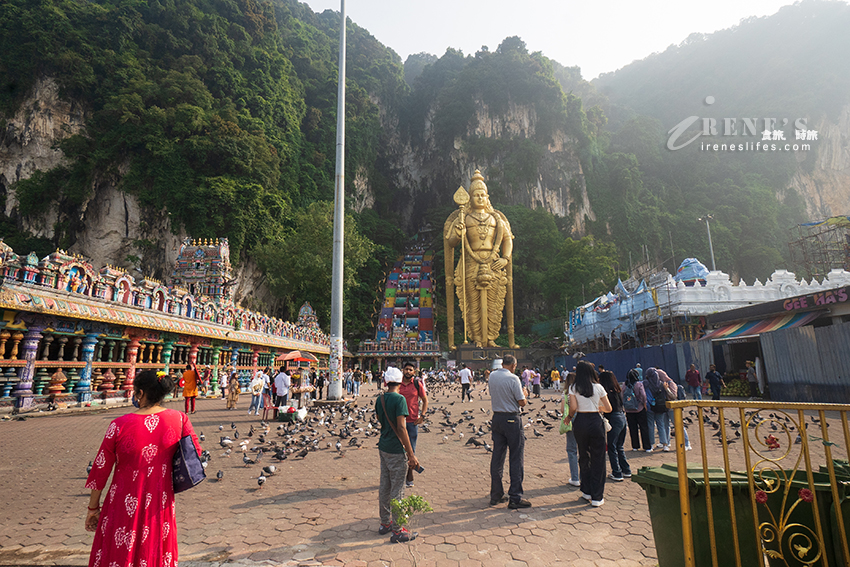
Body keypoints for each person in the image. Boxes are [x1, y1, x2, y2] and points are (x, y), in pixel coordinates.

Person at [84, 370, 201, 567]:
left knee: (120, 550)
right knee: (155, 548)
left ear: (139, 393)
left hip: (122, 500)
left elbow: (100, 469)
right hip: (159, 499)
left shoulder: (119, 425)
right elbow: (195, 452)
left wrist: (93, 508)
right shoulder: (180, 420)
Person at [375, 367, 419, 543]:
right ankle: (398, 530)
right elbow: (401, 427)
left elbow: (380, 419)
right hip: (395, 449)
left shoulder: (381, 399)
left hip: (383, 446)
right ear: (400, 382)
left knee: (384, 485)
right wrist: (411, 454)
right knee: (398, 489)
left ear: (386, 382)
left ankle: (385, 523)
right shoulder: (400, 399)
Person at [566, 361, 612, 507]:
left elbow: (572, 407)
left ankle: (586, 491)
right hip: (595, 422)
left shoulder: (574, 387)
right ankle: (597, 497)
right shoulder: (598, 387)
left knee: (584, 456)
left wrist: (568, 417)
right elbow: (609, 408)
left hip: (580, 422)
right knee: (598, 458)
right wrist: (598, 407)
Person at [488, 354, 530, 509]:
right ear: (513, 365)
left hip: (497, 418)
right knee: (516, 458)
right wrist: (525, 395)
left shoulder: (492, 376)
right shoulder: (513, 379)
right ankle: (515, 497)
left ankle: (496, 494)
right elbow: (521, 402)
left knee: (497, 457)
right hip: (512, 419)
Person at [398, 361, 428, 489]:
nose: (408, 372)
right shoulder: (397, 384)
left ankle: (409, 475)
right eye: (406, 369)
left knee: (411, 449)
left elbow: (425, 400)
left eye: (411, 370)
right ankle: (399, 476)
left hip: (412, 421)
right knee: (399, 450)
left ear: (414, 372)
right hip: (399, 421)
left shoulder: (417, 384)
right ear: (402, 370)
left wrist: (423, 416)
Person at [599, 371, 631, 482]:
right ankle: (626, 470)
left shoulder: (606, 393)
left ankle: (617, 473)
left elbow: (608, 408)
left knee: (612, 447)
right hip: (622, 417)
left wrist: (599, 409)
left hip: (613, 418)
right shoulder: (617, 391)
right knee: (619, 446)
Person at [644, 368, 671, 452]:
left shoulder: (645, 383)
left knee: (650, 426)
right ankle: (665, 445)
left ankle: (651, 445)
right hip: (660, 407)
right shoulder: (661, 384)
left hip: (649, 407)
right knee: (661, 425)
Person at [623, 369, 650, 451]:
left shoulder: (625, 384)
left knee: (632, 428)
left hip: (629, 410)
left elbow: (622, 396)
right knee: (644, 428)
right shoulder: (638, 384)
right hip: (639, 409)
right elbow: (643, 395)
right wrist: (644, 404)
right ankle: (647, 447)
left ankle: (635, 446)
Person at [562, 371, 580, 488]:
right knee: (583, 449)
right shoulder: (582, 391)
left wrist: (568, 416)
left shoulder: (566, 392)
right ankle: (585, 477)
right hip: (583, 419)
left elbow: (562, 409)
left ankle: (575, 478)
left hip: (571, 420)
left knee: (572, 450)